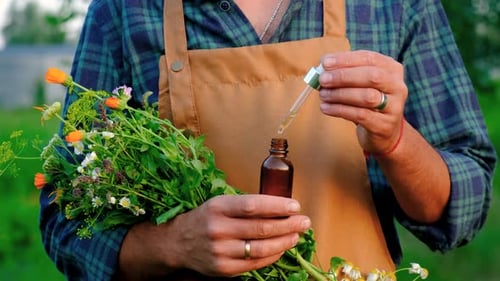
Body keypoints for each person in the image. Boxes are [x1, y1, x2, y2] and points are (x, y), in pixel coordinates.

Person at [39, 0, 497, 280]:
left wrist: (395, 140)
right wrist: (174, 244)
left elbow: (463, 208)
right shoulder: (124, 9)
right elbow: (66, 222)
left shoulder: (391, 5)